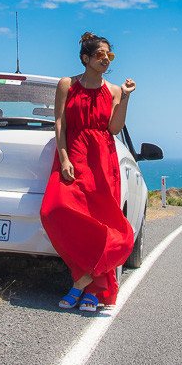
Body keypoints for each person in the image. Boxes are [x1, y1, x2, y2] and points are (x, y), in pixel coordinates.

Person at [40, 32, 136, 312]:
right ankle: (87, 279)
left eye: (110, 55)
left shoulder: (115, 90)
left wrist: (127, 98)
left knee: (103, 222)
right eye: (100, 54)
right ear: (85, 58)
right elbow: (60, 124)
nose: (105, 59)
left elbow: (114, 129)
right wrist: (64, 158)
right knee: (52, 209)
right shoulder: (67, 84)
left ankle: (88, 287)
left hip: (103, 160)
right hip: (75, 154)